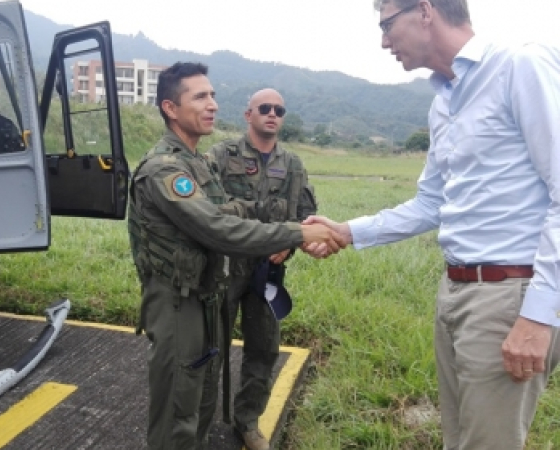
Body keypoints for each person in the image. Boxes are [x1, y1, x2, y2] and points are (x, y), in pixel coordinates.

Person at [304, 1, 560, 448]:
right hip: (455, 292)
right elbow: (431, 203)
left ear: (424, 10)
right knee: (458, 439)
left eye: (386, 25)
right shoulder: (444, 103)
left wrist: (539, 317)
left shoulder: (519, 64)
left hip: (508, 294)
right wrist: (348, 231)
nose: (384, 41)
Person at [127, 62, 344, 450]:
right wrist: (297, 231)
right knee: (180, 400)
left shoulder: (196, 163)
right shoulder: (167, 168)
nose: (212, 104)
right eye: (200, 97)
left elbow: (229, 210)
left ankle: (237, 425)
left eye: (212, 95)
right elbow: (217, 228)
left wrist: (293, 237)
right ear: (170, 108)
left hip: (208, 290)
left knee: (198, 390)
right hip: (180, 297)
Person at [206, 88, 317, 450]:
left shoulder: (294, 164)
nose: (272, 114)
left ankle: (247, 422)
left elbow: (305, 215)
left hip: (266, 272)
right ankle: (199, 425)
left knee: (264, 348)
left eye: (279, 110)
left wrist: (290, 244)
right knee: (210, 347)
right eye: (265, 108)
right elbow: (203, 208)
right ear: (248, 114)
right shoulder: (222, 155)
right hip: (225, 267)